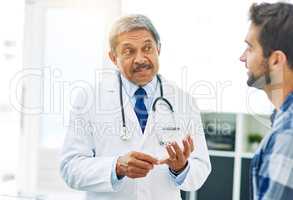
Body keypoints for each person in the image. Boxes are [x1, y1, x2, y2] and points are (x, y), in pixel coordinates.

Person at [60, 14, 211, 200]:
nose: (140, 59)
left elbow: (201, 168)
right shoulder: (88, 99)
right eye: (128, 51)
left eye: (147, 48)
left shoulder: (184, 101)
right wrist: (117, 167)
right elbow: (70, 168)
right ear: (113, 57)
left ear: (159, 49)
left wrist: (181, 168)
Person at [240, 2, 293, 200]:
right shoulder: (282, 120)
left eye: (250, 48)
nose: (242, 57)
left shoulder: (288, 134)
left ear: (277, 60)